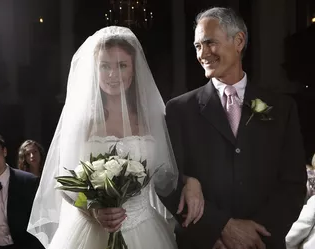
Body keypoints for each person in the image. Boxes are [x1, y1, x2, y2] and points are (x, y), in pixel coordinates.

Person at [27, 26, 203, 249]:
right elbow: (65, 184)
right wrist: (93, 210)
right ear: (95, 70)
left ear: (134, 69)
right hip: (90, 230)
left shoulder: (153, 118)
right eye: (104, 66)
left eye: (122, 65)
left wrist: (191, 180)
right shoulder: (82, 121)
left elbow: (168, 173)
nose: (113, 75)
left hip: (145, 228)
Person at [159, 7, 307, 249]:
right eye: (197, 46)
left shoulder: (282, 108)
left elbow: (293, 184)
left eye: (209, 43)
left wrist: (256, 236)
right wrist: (220, 229)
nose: (202, 53)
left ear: (238, 41)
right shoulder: (179, 110)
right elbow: (170, 185)